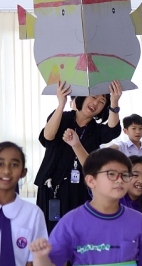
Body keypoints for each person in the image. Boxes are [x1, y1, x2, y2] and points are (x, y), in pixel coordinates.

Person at [35, 80, 123, 230]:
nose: (95, 103)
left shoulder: (97, 130)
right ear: (83, 97)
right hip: (50, 187)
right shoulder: (63, 117)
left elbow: (112, 130)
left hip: (78, 191)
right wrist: (61, 104)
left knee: (75, 232)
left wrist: (114, 102)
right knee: (48, 232)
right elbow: (48, 137)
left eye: (102, 102)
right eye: (93, 97)